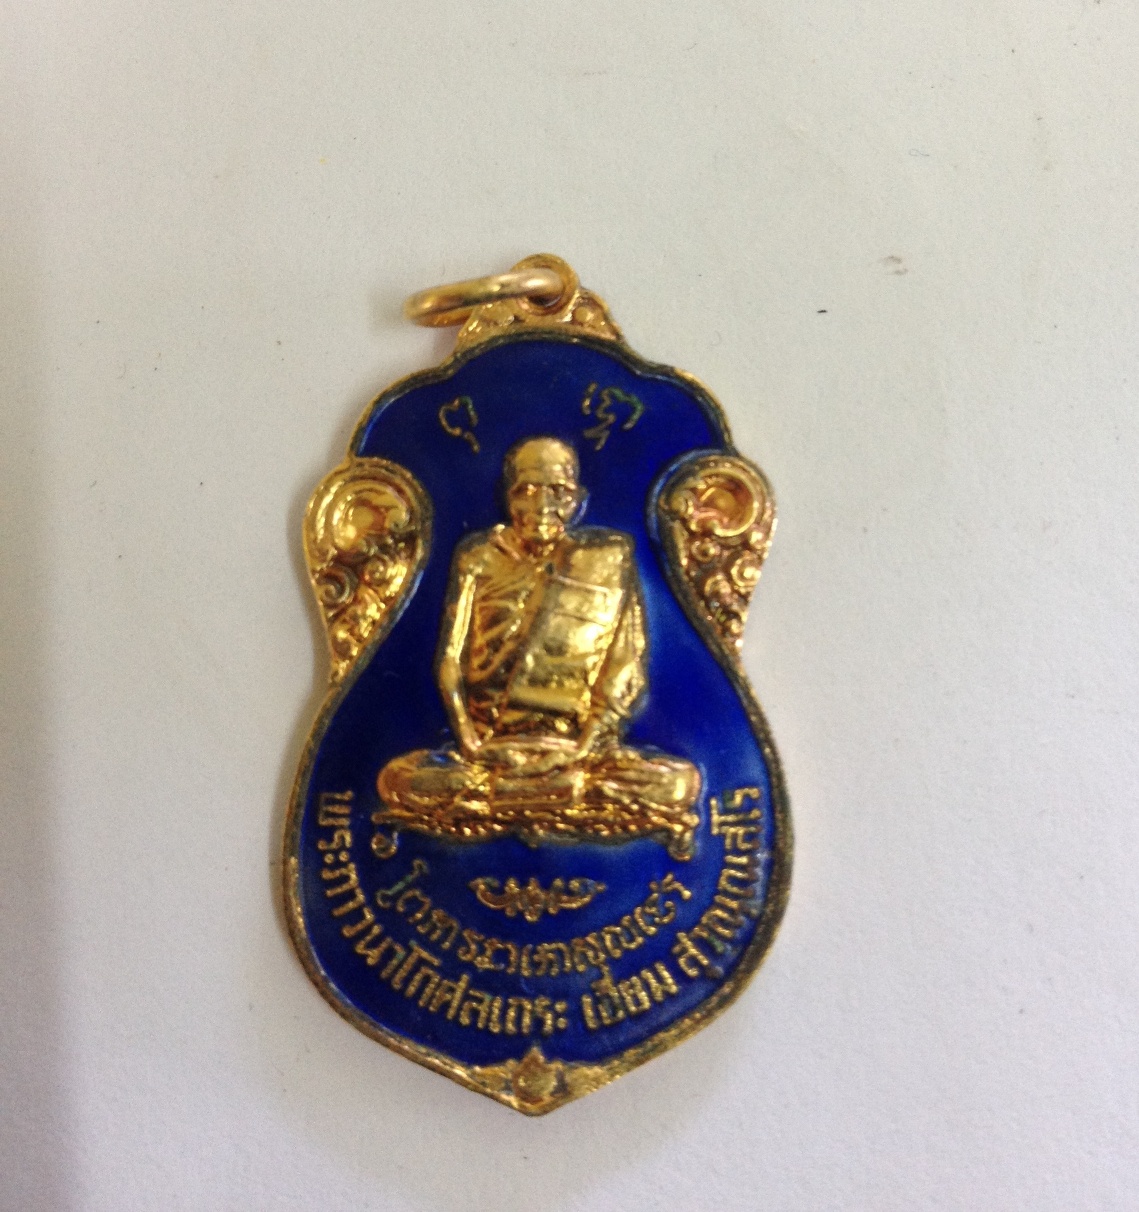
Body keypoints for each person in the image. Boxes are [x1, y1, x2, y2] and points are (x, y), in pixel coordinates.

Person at [375, 436, 700, 857]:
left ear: (577, 499)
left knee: (679, 784)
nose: (542, 504)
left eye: (558, 491)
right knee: (397, 779)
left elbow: (626, 666)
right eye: (526, 490)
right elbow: (450, 661)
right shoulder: (478, 556)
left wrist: (581, 748)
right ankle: (560, 795)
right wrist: (471, 743)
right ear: (507, 496)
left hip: (580, 753)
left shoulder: (607, 559)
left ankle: (507, 797)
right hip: (489, 751)